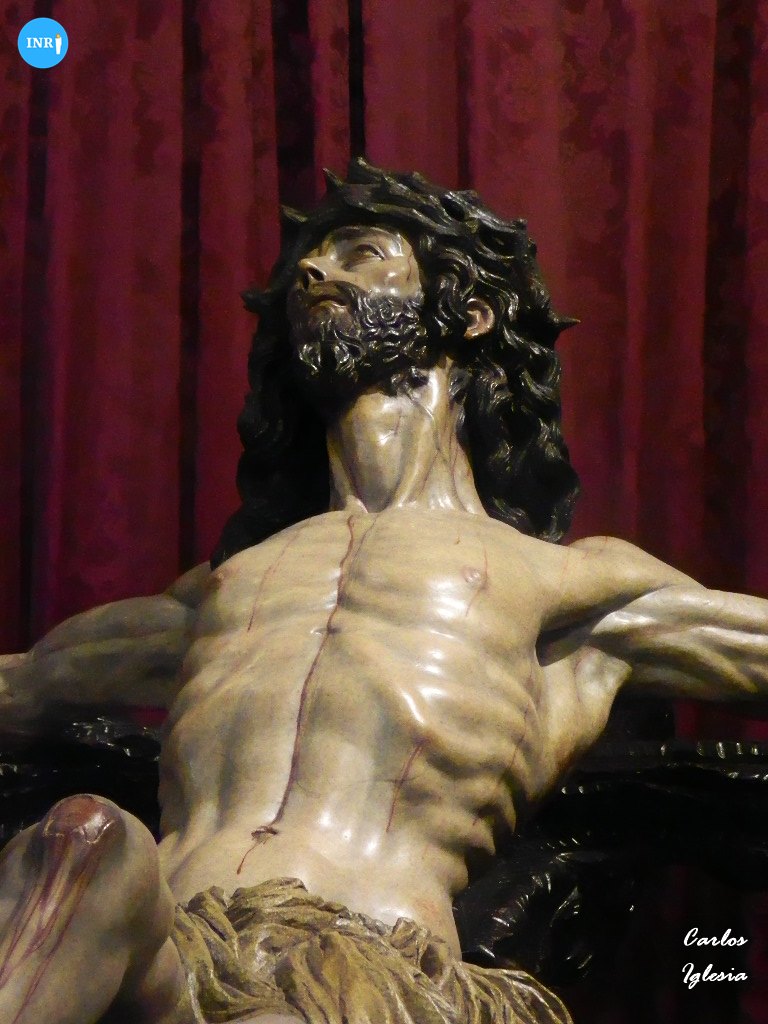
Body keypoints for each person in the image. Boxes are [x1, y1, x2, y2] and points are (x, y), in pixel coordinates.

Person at [0, 158, 766, 1024]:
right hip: (169, 954)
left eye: (360, 252)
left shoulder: (571, 589)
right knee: (84, 839)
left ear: (470, 314)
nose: (314, 271)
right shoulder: (226, 589)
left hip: (367, 967)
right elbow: (23, 686)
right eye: (309, 263)